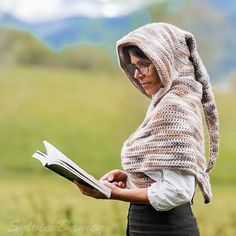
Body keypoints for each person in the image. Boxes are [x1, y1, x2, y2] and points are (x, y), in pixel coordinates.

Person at [75, 22, 219, 236]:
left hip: (164, 229)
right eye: (133, 66)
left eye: (144, 64)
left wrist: (113, 194)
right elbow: (166, 174)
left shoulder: (174, 107)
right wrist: (133, 177)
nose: (137, 74)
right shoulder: (166, 102)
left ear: (166, 61)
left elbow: (177, 191)